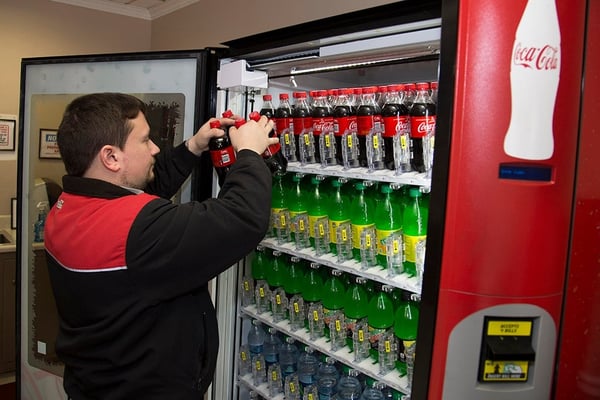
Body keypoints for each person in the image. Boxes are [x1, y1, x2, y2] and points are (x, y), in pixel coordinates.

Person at [44, 92, 278, 399]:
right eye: (144, 140)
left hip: (95, 385)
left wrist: (194, 147)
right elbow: (240, 218)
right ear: (110, 157)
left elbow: (140, 192)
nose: (155, 147)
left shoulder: (67, 207)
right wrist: (248, 151)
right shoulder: (135, 233)